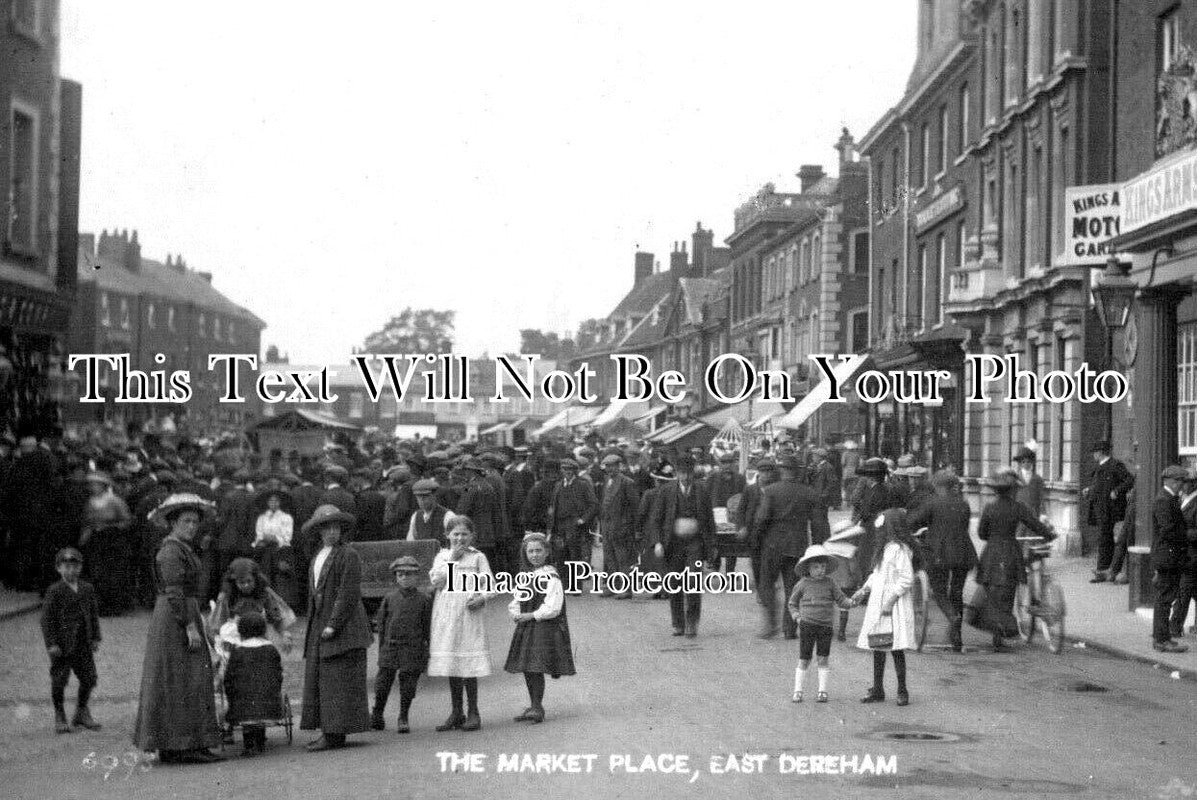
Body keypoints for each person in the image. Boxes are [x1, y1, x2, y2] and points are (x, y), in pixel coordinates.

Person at [133, 493, 225, 764]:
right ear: (173, 523)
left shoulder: (182, 548)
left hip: (184, 613)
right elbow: (174, 591)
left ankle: (183, 743)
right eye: (186, 521)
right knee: (183, 678)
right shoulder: (171, 550)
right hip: (175, 619)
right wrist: (189, 627)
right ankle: (182, 745)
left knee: (186, 678)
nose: (192, 526)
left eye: (195, 522)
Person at [299, 504, 372, 752]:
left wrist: (333, 624)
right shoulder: (318, 557)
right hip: (322, 621)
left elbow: (347, 593)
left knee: (338, 680)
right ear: (319, 531)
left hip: (345, 626)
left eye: (336, 528)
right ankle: (329, 731)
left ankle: (334, 734)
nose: (332, 532)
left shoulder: (348, 555)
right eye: (327, 528)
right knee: (325, 679)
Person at [975, 470, 1054, 652]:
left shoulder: (989, 507)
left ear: (996, 491)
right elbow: (1034, 524)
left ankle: (996, 635)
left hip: (991, 554)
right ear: (1012, 490)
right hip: (1010, 552)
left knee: (993, 595)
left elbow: (981, 533)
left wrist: (993, 536)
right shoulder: (1017, 507)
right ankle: (1000, 636)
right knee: (1008, 594)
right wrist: (1048, 535)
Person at [428, 516, 495, 731]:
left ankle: (473, 711)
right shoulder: (442, 557)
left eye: (464, 534)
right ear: (447, 535)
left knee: (468, 661)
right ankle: (457, 712)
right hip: (447, 614)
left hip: (469, 613)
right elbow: (437, 582)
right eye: (455, 534)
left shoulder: (478, 557)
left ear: (472, 536)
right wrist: (452, 560)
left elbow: (491, 585)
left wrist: (481, 598)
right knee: (452, 661)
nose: (459, 538)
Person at [504, 532, 576, 723]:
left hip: (543, 627)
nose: (534, 555)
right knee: (527, 666)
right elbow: (517, 599)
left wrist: (531, 615)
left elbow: (553, 607)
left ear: (546, 553)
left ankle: (538, 706)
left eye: (538, 551)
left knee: (535, 664)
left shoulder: (550, 576)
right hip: (528, 625)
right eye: (530, 551)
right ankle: (533, 703)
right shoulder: (526, 575)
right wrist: (515, 612)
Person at [851, 508, 919, 706]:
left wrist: (890, 600)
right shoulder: (885, 549)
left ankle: (902, 689)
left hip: (892, 605)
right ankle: (878, 688)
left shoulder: (899, 550)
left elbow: (906, 578)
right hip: (879, 602)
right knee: (878, 645)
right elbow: (877, 575)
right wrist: (863, 590)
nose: (878, 534)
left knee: (895, 647)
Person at [907, 470, 975, 651]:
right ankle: (957, 637)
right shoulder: (964, 504)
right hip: (963, 552)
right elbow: (964, 526)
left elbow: (914, 521)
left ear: (937, 487)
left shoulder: (932, 504)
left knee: (939, 591)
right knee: (957, 592)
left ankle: (953, 617)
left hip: (939, 553)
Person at [651, 456, 717, 637]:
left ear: (693, 474)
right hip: (673, 543)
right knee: (674, 583)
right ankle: (678, 623)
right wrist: (657, 542)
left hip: (695, 543)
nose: (686, 477)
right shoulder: (666, 491)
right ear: (676, 474)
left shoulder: (702, 491)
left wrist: (712, 546)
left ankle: (691, 622)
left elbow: (710, 521)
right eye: (682, 473)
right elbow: (656, 519)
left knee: (694, 581)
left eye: (688, 474)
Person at [753, 455, 817, 640]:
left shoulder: (771, 491)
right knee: (793, 588)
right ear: (797, 471)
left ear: (781, 471)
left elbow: (762, 519)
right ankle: (789, 629)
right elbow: (818, 523)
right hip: (797, 546)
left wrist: (756, 540)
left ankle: (770, 626)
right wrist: (819, 546)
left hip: (773, 546)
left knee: (767, 585)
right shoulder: (809, 493)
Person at [41, 547, 102, 734]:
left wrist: (95, 637)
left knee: (89, 678)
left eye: (75, 566)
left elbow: (93, 615)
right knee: (59, 680)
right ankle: (60, 715)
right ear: (59, 569)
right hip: (62, 645)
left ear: (81, 568)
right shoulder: (55, 591)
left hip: (83, 643)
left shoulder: (87, 589)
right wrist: (51, 643)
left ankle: (81, 711)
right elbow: (46, 619)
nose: (71, 571)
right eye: (66, 567)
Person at [371, 556, 433, 733]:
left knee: (408, 683)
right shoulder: (390, 598)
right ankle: (377, 713)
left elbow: (427, 626)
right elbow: (382, 625)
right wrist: (382, 648)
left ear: (417, 577)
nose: (405, 578)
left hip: (412, 648)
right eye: (400, 575)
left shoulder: (424, 600)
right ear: (396, 577)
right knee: (383, 682)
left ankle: (403, 716)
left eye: (409, 574)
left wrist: (427, 649)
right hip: (391, 646)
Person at [787, 545, 853, 703]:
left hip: (825, 626)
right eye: (816, 567)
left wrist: (851, 602)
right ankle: (798, 690)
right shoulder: (802, 584)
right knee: (804, 658)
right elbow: (792, 603)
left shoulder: (830, 583)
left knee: (823, 658)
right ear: (808, 568)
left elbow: (841, 600)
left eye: (823, 567)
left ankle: (822, 690)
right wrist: (797, 617)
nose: (820, 570)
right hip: (807, 625)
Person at [223, 611, 283, 758]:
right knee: (259, 707)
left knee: (246, 710)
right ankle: (260, 741)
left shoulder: (238, 651)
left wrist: (230, 692)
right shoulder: (271, 649)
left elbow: (229, 676)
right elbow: (277, 673)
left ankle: (249, 745)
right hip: (268, 699)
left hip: (243, 702)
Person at [207, 557, 298, 654]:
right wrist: (218, 641)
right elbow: (217, 623)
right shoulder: (226, 596)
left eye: (249, 581)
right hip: (234, 637)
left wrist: (284, 634)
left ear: (256, 579)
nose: (246, 585)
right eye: (242, 583)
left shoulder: (264, 592)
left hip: (258, 636)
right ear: (234, 582)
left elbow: (277, 616)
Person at [78, 471, 134, 615]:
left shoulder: (115, 501)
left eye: (96, 484)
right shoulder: (89, 503)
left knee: (113, 575)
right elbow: (86, 522)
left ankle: (115, 606)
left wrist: (111, 527)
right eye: (91, 485)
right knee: (98, 574)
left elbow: (127, 521)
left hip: (113, 541)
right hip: (96, 542)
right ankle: (101, 606)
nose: (93, 487)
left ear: (104, 486)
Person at [1152, 466, 1191, 653]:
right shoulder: (1164, 500)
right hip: (1168, 556)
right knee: (1164, 599)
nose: (1182, 486)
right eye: (1180, 482)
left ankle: (1163, 637)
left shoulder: (1168, 499)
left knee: (1166, 598)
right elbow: (1167, 529)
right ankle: (1161, 640)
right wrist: (1185, 537)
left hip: (1170, 555)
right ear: (1172, 481)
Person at [1083, 441, 1134, 583]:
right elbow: (1099, 486)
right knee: (1104, 539)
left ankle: (1102, 571)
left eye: (1095, 451)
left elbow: (1130, 479)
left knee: (1105, 539)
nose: (1094, 454)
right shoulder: (1098, 467)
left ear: (1101, 452)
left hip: (1111, 509)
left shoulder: (1115, 465)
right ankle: (1105, 570)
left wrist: (1117, 490)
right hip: (1100, 508)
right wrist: (1089, 491)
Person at [548, 459, 599, 585]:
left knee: (575, 555)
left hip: (574, 525)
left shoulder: (582, 484)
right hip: (559, 525)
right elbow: (553, 506)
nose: (567, 472)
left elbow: (593, 504)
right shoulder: (558, 485)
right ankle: (563, 584)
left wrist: (583, 519)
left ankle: (575, 585)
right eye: (564, 469)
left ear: (575, 471)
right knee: (560, 555)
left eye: (569, 469)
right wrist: (551, 525)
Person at [597, 453, 640, 597]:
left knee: (623, 559)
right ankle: (613, 586)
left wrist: (631, 527)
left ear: (619, 466)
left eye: (612, 466)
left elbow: (635, 507)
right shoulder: (607, 480)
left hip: (622, 526)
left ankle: (626, 589)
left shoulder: (627, 482)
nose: (609, 469)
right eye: (607, 466)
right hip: (607, 525)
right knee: (609, 557)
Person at [252, 487, 298, 609]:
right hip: (265, 552)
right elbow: (259, 534)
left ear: (280, 503)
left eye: (276, 501)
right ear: (267, 503)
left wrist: (275, 538)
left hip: (280, 551)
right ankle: (266, 606)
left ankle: (280, 608)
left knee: (279, 580)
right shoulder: (262, 517)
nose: (274, 503)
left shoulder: (286, 517)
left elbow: (287, 536)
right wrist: (263, 539)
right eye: (271, 501)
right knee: (265, 578)